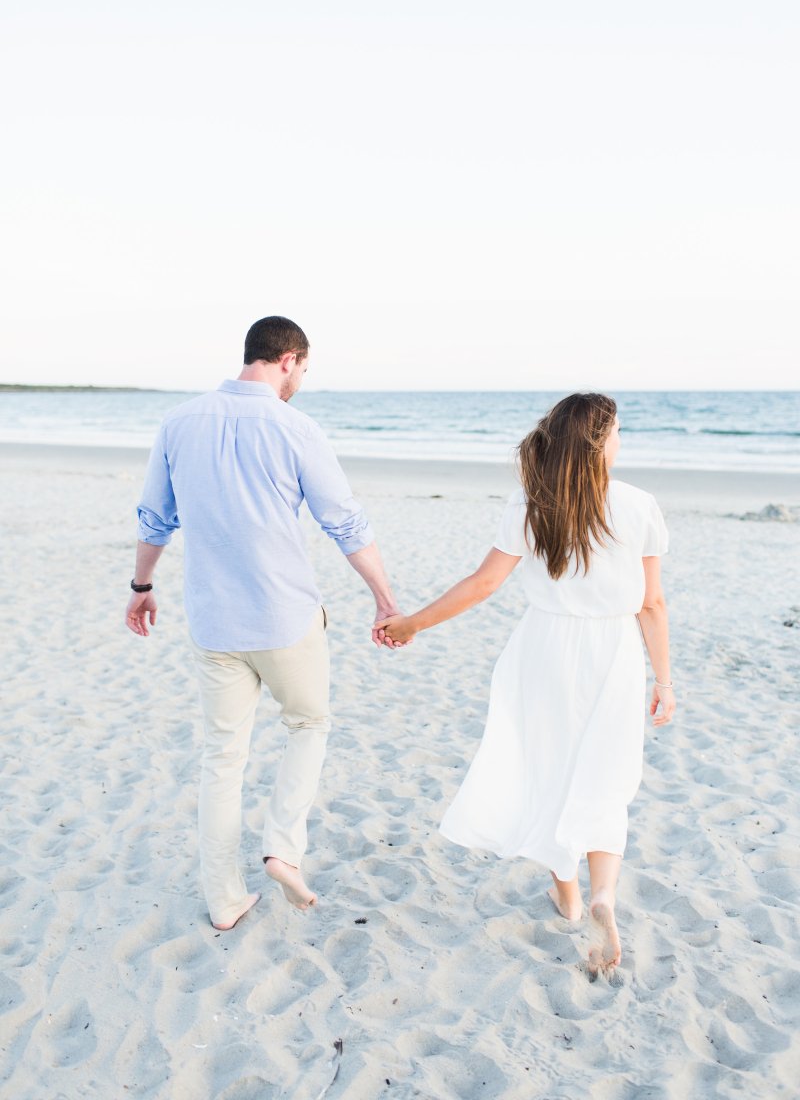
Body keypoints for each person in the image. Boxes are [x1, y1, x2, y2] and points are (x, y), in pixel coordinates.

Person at [376, 393, 675, 971]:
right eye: (616, 432)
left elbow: (484, 583)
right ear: (598, 443)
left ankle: (566, 899)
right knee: (606, 776)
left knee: (551, 769)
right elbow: (654, 604)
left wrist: (413, 623)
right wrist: (664, 680)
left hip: (543, 648)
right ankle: (603, 896)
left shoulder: (531, 502)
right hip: (613, 651)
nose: (621, 441)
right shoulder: (640, 505)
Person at [125, 316, 401, 931]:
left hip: (214, 621)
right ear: (290, 358)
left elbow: (154, 517)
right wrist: (384, 598)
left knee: (223, 756)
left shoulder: (178, 422)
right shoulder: (295, 427)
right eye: (304, 368)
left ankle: (224, 900)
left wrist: (142, 588)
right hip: (284, 617)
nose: (302, 378)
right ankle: (283, 849)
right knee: (308, 723)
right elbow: (345, 523)